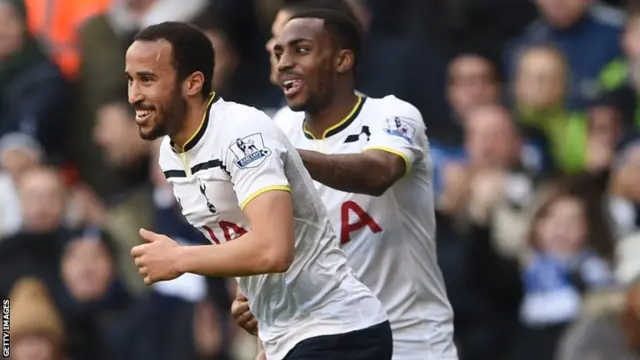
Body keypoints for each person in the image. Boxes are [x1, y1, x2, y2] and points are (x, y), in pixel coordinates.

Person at [124, 21, 392, 360]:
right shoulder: (170, 154)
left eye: (147, 79)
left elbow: (274, 249)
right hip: (290, 337)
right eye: (130, 80)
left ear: (193, 83)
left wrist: (180, 258)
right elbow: (242, 238)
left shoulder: (243, 134)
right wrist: (255, 300)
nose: (134, 95)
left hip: (338, 330)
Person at [233, 9, 458, 360]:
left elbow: (378, 173)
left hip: (409, 343)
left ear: (343, 59)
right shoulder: (278, 130)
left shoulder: (392, 115)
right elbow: (274, 243)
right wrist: (259, 299)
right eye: (279, 54)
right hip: (327, 343)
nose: (284, 63)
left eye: (301, 50)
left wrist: (288, 157)